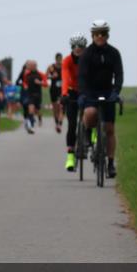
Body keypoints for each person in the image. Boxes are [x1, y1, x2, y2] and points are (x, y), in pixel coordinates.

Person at [78, 19, 123, 178]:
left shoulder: (114, 53)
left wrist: (116, 91)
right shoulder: (87, 54)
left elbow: (118, 74)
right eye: (97, 34)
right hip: (90, 91)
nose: (100, 37)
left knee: (110, 129)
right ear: (92, 35)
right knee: (90, 114)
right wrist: (83, 93)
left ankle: (110, 164)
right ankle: (87, 133)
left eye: (103, 33)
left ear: (107, 35)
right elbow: (82, 76)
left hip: (107, 91)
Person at [60, 33, 87, 171]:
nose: (77, 49)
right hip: (72, 91)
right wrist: (64, 94)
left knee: (89, 117)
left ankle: (91, 135)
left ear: (84, 47)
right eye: (74, 46)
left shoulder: (89, 58)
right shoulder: (67, 60)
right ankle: (70, 156)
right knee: (72, 124)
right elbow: (65, 77)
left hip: (87, 90)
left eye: (80, 46)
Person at [16, 60, 47, 134]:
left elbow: (46, 84)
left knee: (37, 111)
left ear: (35, 66)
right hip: (30, 95)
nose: (28, 67)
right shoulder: (27, 74)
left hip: (38, 95)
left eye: (29, 66)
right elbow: (24, 82)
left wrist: (40, 82)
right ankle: (30, 126)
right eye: (28, 66)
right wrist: (25, 85)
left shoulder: (41, 74)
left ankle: (39, 119)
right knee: (31, 109)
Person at [46, 53, 64, 134]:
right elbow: (45, 76)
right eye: (58, 58)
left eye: (61, 58)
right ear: (56, 59)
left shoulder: (64, 66)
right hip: (53, 89)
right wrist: (52, 77)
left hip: (62, 89)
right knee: (55, 107)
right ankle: (56, 123)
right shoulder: (51, 67)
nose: (59, 60)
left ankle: (60, 124)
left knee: (61, 106)